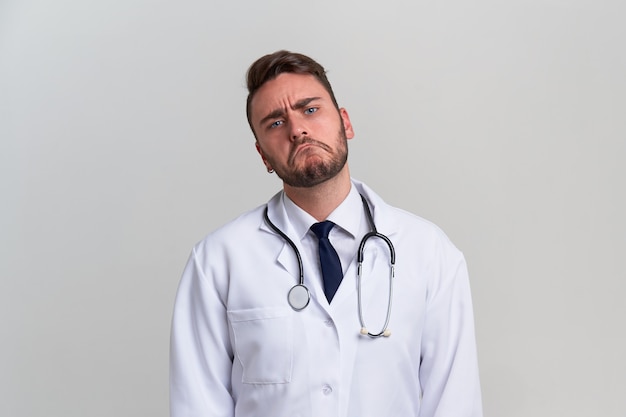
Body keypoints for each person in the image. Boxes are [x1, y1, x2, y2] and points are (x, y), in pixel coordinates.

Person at [170, 50, 483, 417]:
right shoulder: (218, 261)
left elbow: (453, 402)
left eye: (310, 109)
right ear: (262, 156)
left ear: (345, 123)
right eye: (275, 123)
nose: (297, 129)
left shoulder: (430, 253)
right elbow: (198, 404)